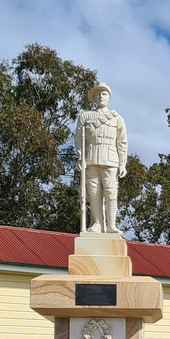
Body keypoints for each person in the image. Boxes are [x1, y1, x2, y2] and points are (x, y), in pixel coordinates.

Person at [74, 83, 127, 234]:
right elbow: (79, 139)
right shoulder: (85, 117)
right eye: (98, 94)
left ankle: (111, 225)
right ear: (94, 98)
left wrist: (122, 164)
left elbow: (122, 142)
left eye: (104, 94)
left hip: (111, 159)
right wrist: (80, 158)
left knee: (111, 192)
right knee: (93, 192)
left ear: (109, 98)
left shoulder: (117, 119)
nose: (101, 96)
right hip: (91, 158)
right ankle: (97, 223)